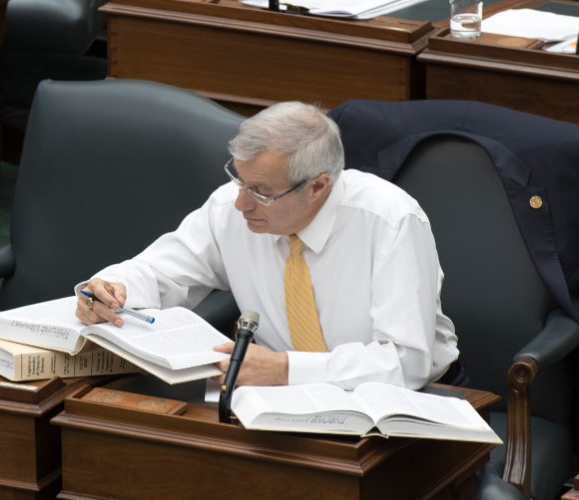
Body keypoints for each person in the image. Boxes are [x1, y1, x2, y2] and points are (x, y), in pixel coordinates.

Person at [74, 101, 459, 390]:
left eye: (261, 191)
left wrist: (287, 370)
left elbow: (406, 361)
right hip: (274, 399)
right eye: (239, 180)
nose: (241, 203)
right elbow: (160, 271)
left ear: (318, 186)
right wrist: (112, 288)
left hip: (405, 401)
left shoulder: (390, 221)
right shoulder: (230, 209)